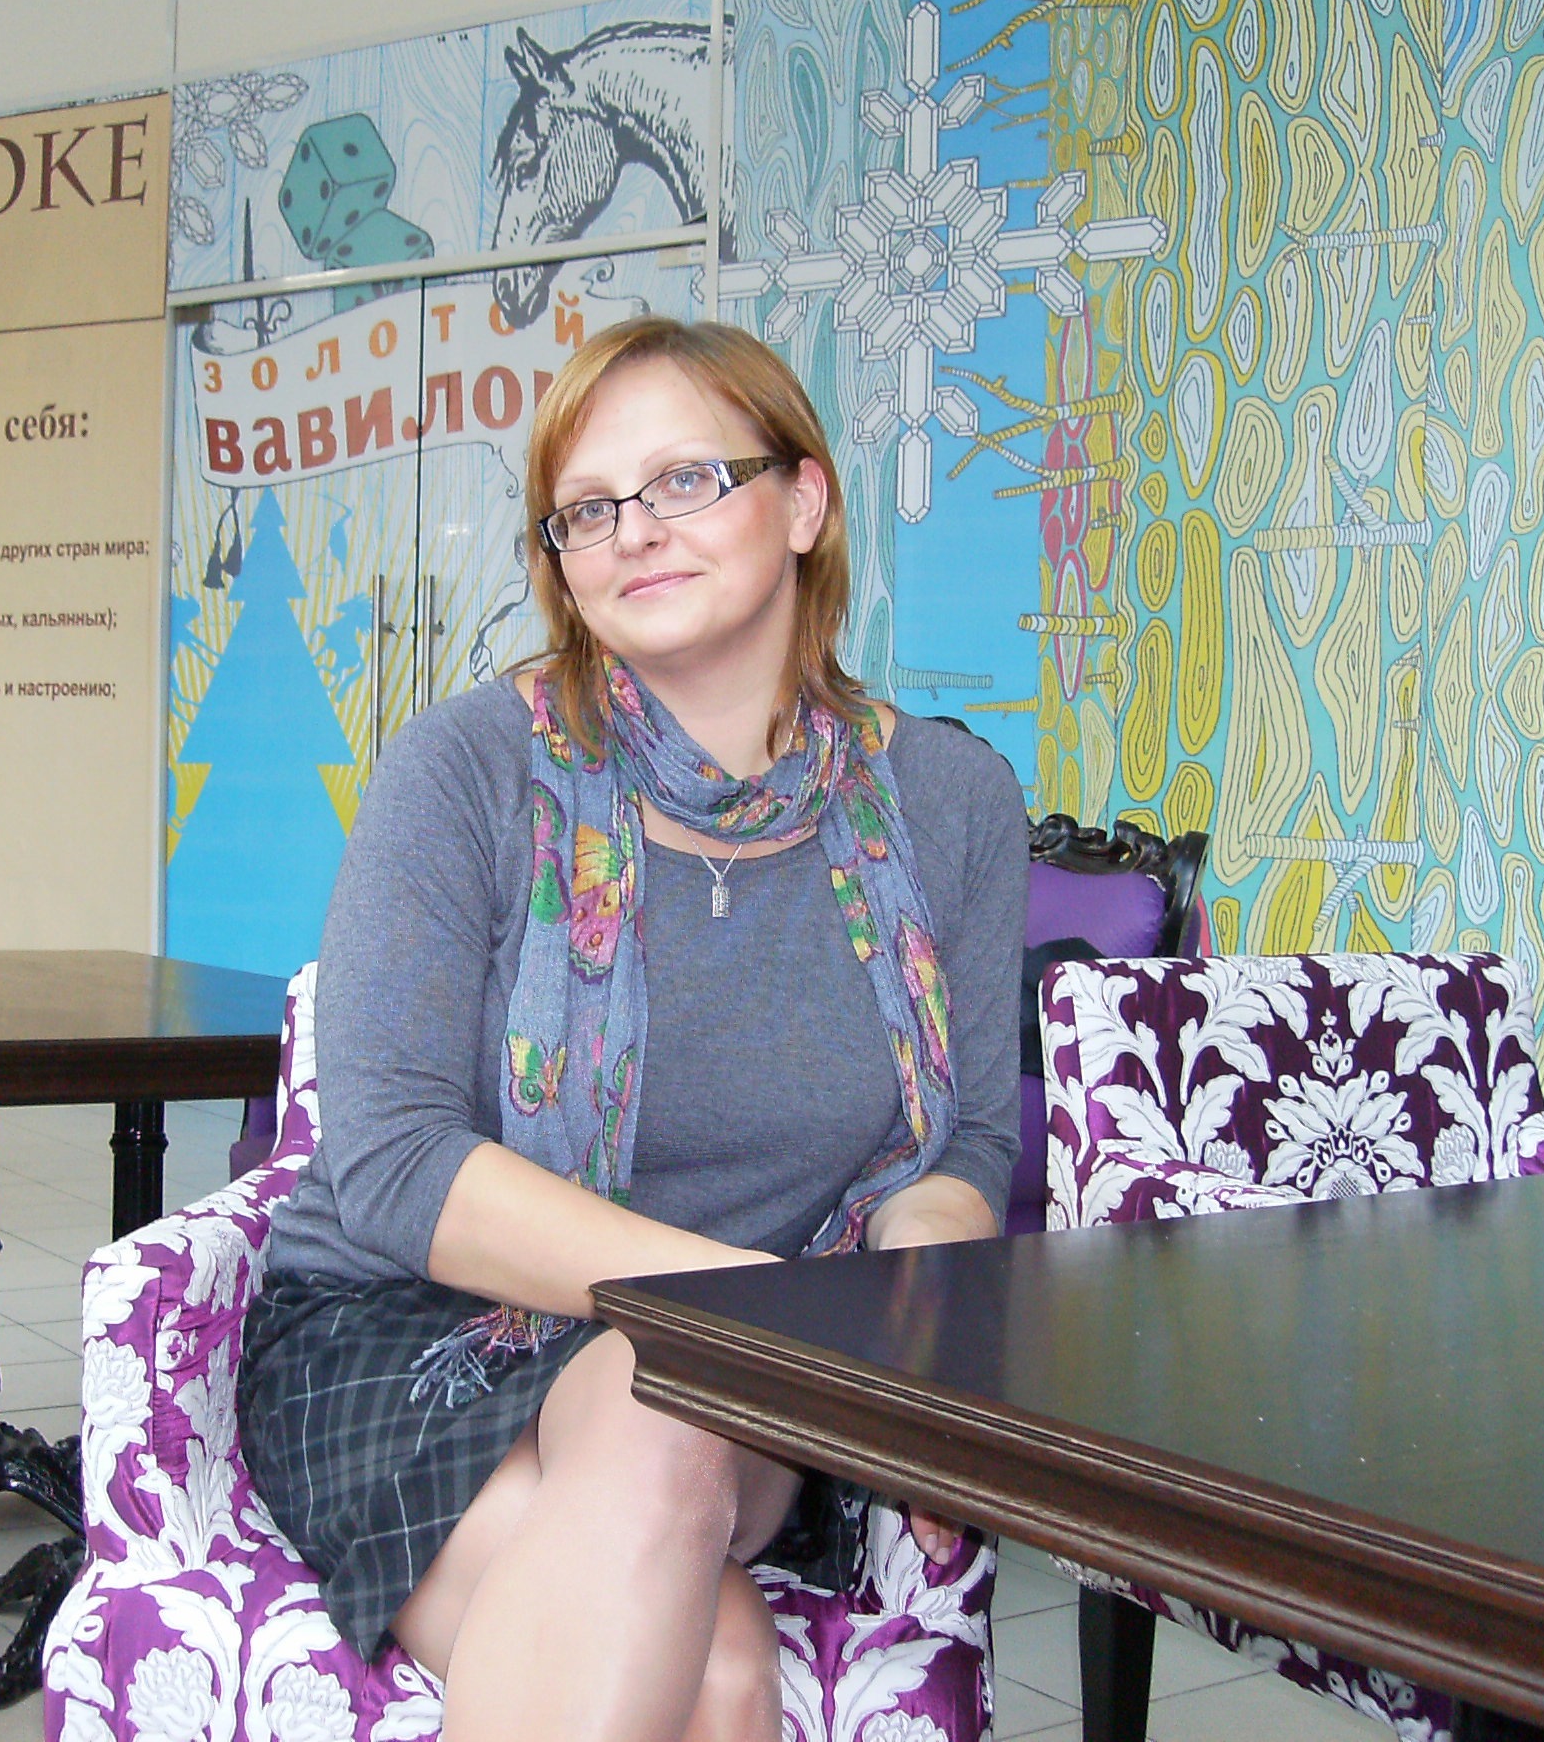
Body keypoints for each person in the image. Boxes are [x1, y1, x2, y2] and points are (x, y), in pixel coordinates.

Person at [239, 316, 1027, 1742]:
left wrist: (913, 1332)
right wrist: (755, 1306)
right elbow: (397, 1165)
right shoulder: (465, 770)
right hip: (408, 1333)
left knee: (672, 1402)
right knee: (718, 1671)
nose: (634, 533)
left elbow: (964, 1143)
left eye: (685, 481)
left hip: (745, 1370)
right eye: (588, 508)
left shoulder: (951, 803)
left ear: (804, 501)